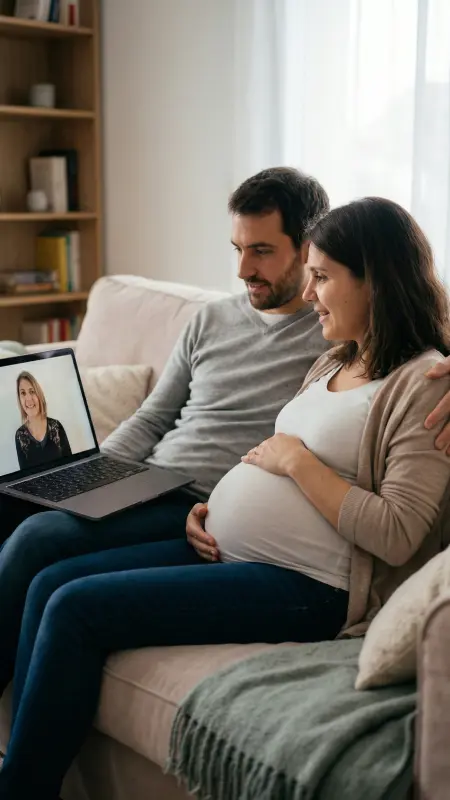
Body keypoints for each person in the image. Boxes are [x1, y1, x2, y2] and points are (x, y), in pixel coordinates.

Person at [0, 197, 449, 799]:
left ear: (376, 281)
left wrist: (294, 460)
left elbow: (396, 532)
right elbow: (255, 452)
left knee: (76, 607)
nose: (311, 294)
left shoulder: (422, 385)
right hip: (218, 541)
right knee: (49, 581)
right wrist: (209, 508)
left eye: (322, 277)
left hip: (311, 586)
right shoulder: (334, 358)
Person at [15, 371, 72, 470]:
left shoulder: (56, 426)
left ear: (39, 395)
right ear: (19, 399)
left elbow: (71, 465)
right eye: (23, 393)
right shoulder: (20, 435)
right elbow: (25, 477)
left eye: (32, 392)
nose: (28, 398)